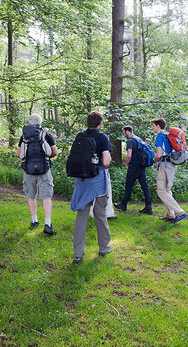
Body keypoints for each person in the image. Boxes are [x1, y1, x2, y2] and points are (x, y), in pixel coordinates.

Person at [70, 111, 113, 263]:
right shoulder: (102, 138)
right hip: (98, 182)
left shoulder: (79, 136)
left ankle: (77, 254)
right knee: (100, 214)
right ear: (100, 123)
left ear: (88, 122)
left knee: (81, 215)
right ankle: (104, 247)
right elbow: (106, 162)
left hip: (82, 182)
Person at [17, 114, 58, 235]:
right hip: (44, 169)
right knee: (46, 197)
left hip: (28, 169)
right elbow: (54, 152)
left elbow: (19, 154)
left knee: (31, 195)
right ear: (40, 123)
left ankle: (34, 221)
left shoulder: (24, 136)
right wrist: (45, 157)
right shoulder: (47, 134)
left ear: (29, 123)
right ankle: (48, 224)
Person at [152, 117, 187, 224]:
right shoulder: (168, 136)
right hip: (171, 165)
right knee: (167, 190)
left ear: (158, 126)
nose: (152, 128)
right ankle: (170, 215)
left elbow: (158, 154)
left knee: (161, 191)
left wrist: (154, 159)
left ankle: (179, 212)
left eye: (153, 125)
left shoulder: (160, 137)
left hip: (164, 165)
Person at [114, 125, 153, 214]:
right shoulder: (138, 139)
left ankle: (123, 205)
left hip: (133, 167)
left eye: (124, 133)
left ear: (127, 132)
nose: (124, 135)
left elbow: (129, 155)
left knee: (128, 186)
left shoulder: (130, 141)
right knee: (145, 187)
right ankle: (149, 206)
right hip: (141, 167)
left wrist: (126, 163)